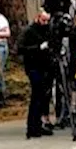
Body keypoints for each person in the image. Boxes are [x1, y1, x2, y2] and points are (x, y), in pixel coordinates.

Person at [19, 10, 55, 139]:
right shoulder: (29, 31)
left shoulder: (47, 30)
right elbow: (20, 48)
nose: (45, 23)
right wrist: (38, 48)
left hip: (45, 66)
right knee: (36, 96)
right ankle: (32, 126)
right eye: (43, 20)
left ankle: (38, 124)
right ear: (37, 18)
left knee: (43, 97)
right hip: (33, 66)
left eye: (47, 21)